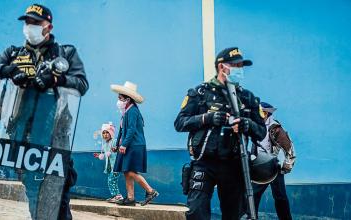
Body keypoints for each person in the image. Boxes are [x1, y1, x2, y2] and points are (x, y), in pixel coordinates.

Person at [0, 4, 88, 219]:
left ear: (48, 26)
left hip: (55, 136)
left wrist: (57, 79)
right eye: (27, 22)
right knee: (33, 191)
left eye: (36, 23)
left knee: (58, 193)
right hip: (24, 136)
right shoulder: (14, 53)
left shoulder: (65, 52)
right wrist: (9, 70)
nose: (30, 27)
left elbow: (81, 84)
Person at [174, 47, 267, 219]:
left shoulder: (247, 98)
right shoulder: (200, 93)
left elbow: (261, 132)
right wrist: (206, 118)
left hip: (234, 163)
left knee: (233, 213)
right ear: (221, 67)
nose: (239, 69)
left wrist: (247, 124)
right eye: (235, 65)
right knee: (196, 211)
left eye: (241, 66)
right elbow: (179, 123)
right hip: (204, 161)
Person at [110, 81, 159, 206]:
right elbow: (122, 129)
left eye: (120, 98)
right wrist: (117, 144)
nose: (118, 101)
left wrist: (124, 144)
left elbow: (131, 130)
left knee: (131, 171)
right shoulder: (125, 112)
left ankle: (150, 191)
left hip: (134, 145)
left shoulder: (132, 111)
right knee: (126, 171)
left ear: (127, 99)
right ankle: (130, 198)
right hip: (128, 145)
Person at [252, 102, 296, 219]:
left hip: (274, 166)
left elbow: (289, 147)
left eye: (261, 112)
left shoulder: (275, 128)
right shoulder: (255, 126)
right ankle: (252, 217)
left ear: (267, 113)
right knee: (253, 195)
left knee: (280, 196)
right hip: (259, 166)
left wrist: (288, 165)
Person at [93, 123, 123, 203]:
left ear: (111, 133)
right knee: (111, 181)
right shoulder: (105, 144)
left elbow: (119, 147)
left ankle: (118, 196)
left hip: (116, 165)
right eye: (103, 133)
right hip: (110, 167)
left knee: (112, 180)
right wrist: (99, 155)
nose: (105, 135)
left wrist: (117, 147)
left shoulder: (115, 141)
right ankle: (115, 196)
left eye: (107, 133)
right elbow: (105, 155)